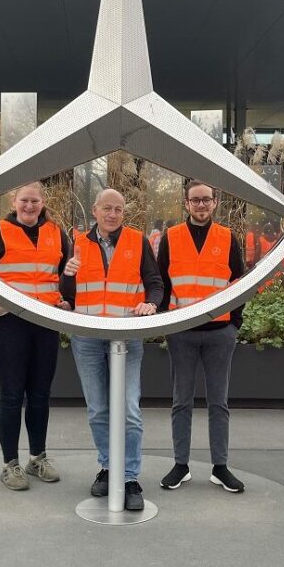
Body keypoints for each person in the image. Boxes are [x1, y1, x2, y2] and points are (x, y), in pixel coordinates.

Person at [61, 188, 163, 511]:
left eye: (118, 209)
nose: (113, 214)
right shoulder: (77, 242)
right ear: (95, 210)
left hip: (127, 336)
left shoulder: (137, 241)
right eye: (107, 208)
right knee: (98, 409)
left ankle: (130, 477)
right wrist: (66, 275)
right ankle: (108, 467)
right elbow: (68, 293)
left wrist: (151, 303)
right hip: (87, 336)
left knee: (129, 409)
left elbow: (155, 282)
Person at [0, 182, 72, 491]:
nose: (29, 206)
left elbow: (68, 273)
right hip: (10, 326)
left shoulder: (57, 233)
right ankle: (10, 463)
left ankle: (37, 457)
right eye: (24, 200)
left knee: (41, 394)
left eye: (35, 201)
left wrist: (67, 301)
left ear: (43, 203)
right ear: (14, 201)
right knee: (12, 395)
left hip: (45, 324)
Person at [157, 180, 247, 494]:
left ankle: (220, 467)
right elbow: (161, 281)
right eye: (195, 200)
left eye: (206, 200)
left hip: (220, 333)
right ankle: (180, 465)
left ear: (215, 202)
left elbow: (238, 282)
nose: (201, 205)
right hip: (181, 334)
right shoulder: (171, 237)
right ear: (186, 203)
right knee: (181, 401)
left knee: (218, 402)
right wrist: (167, 323)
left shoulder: (227, 237)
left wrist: (234, 323)